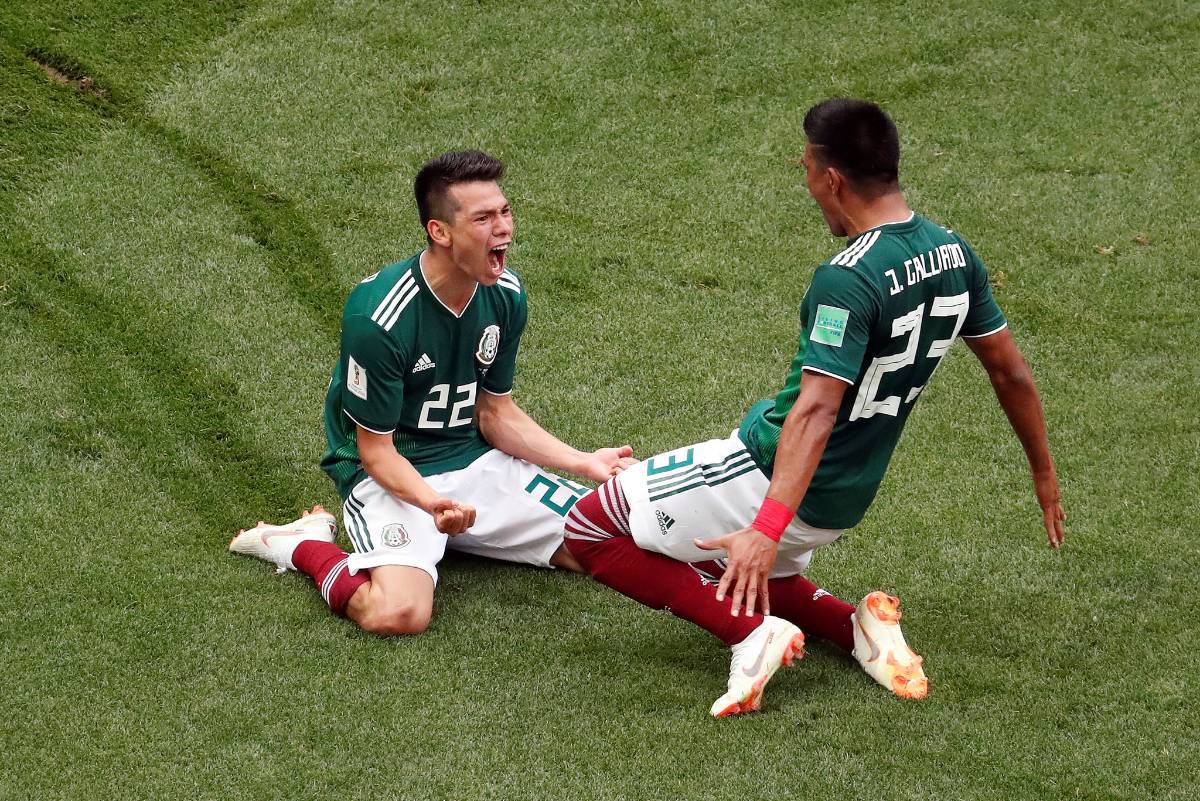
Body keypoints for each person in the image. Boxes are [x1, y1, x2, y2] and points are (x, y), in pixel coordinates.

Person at [563, 99, 1066, 716]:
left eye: (805, 169)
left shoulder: (847, 278)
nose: (806, 185)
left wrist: (766, 527)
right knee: (755, 572)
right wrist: (1043, 472)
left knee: (589, 527)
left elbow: (815, 411)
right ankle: (858, 628)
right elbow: (1011, 371)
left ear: (831, 178)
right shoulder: (955, 253)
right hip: (847, 495)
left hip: (770, 473)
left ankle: (750, 633)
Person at [230, 150, 636, 636]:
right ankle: (303, 543)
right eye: (483, 219)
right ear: (439, 231)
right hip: (389, 475)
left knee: (610, 541)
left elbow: (495, 413)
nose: (503, 228)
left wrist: (584, 462)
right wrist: (433, 504)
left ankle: (455, 537)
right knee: (397, 614)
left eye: (505, 211)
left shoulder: (506, 294)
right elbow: (374, 451)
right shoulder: (379, 317)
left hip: (472, 461)